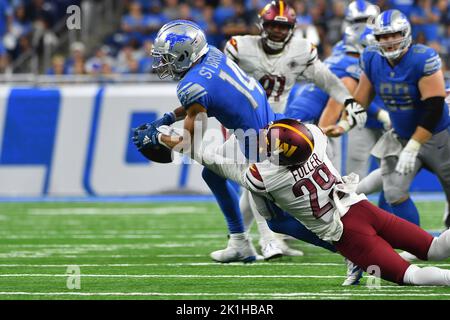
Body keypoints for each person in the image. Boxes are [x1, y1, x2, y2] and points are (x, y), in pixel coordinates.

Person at [132, 20, 361, 264]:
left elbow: (190, 143)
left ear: (186, 54)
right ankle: (239, 243)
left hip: (260, 146)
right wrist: (167, 118)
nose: (163, 63)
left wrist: (158, 137)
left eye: (168, 57)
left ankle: (350, 251)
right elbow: (209, 100)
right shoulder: (212, 55)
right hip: (265, 124)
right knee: (211, 175)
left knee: (279, 221)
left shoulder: (192, 86)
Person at [192, 118, 450, 286]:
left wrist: (180, 144)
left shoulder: (266, 178)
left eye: (270, 143)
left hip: (348, 234)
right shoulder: (315, 140)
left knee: (410, 275)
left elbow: (217, 164)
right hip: (363, 208)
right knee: (436, 247)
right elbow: (308, 130)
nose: (264, 143)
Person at [222, 0, 361, 259]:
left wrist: (348, 100)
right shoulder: (240, 47)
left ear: (293, 29)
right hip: (243, 119)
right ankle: (267, 241)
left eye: (283, 27)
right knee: (256, 181)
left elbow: (326, 79)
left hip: (277, 121)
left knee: (253, 182)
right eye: (273, 25)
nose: (277, 31)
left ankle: (238, 241)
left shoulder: (301, 50)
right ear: (262, 25)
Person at [324, 9, 450, 228]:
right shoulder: (372, 58)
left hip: (438, 136)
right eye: (383, 36)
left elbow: (435, 107)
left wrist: (414, 145)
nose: (389, 41)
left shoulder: (423, 57)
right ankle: (417, 245)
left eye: (394, 34)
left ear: (406, 33)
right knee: (394, 191)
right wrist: (344, 124)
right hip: (400, 136)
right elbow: (361, 98)